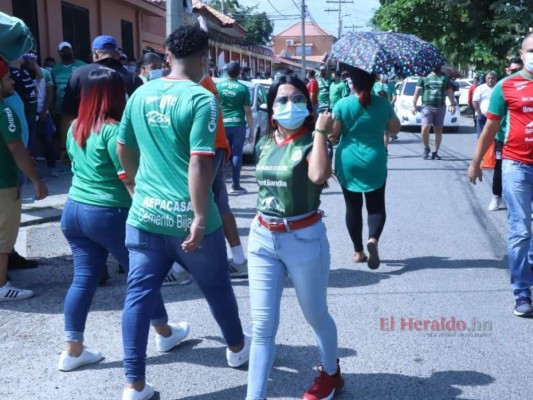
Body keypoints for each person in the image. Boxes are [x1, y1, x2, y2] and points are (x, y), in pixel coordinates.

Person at [117, 26, 250, 399]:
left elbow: (123, 147)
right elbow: (200, 163)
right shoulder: (201, 99)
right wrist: (198, 216)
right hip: (187, 221)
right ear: (206, 57)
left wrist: (132, 185)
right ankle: (238, 349)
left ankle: (134, 385)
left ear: (166, 54)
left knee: (138, 297)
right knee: (217, 286)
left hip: (145, 215)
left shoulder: (140, 93)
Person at [57, 67, 189, 373]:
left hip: (74, 210)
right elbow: (130, 180)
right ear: (117, 96)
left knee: (83, 278)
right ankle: (165, 333)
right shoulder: (114, 131)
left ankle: (73, 350)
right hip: (108, 213)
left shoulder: (75, 127)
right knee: (143, 276)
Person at [246, 74, 343, 400]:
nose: (291, 105)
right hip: (262, 239)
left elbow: (318, 175)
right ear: (271, 109)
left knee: (315, 315)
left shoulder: (314, 140)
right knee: (261, 328)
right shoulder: (265, 142)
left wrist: (319, 132)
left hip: (303, 240)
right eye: (282, 100)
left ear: (309, 104)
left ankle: (331, 373)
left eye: (298, 99)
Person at [467, 32, 533, 318]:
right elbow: (490, 129)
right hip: (516, 165)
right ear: (522, 52)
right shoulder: (506, 87)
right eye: (531, 49)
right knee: (521, 230)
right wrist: (475, 163)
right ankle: (522, 291)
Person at [330, 67, 400, 268]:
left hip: (348, 160)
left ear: (352, 82)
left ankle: (358, 251)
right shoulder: (383, 103)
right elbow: (394, 128)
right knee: (376, 205)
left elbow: (334, 136)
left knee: (352, 207)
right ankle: (373, 239)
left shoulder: (342, 104)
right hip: (375, 159)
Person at [0, 58, 48, 301]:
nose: (12, 83)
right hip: (4, 183)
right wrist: (36, 180)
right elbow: (16, 148)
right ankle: (2, 286)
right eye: (8, 78)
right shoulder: (4, 110)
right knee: (3, 236)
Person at [216, 61, 254, 195]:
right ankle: (235, 186)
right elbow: (248, 111)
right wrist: (252, 129)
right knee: (236, 154)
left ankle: (218, 186)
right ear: (239, 72)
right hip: (238, 124)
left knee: (220, 155)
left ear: (226, 71)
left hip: (222, 125)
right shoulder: (242, 88)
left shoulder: (218, 87)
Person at [411, 64, 457, 160]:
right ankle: (426, 148)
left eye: (439, 64)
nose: (437, 66)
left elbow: (449, 91)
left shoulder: (444, 77)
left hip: (440, 106)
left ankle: (435, 152)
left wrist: (453, 104)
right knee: (425, 127)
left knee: (438, 130)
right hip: (427, 106)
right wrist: (413, 105)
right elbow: (417, 92)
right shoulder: (424, 75)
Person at [31, 50, 59, 177]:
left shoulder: (45, 72)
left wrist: (44, 111)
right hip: (30, 113)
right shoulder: (22, 72)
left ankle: (52, 167)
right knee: (30, 143)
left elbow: (50, 93)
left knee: (48, 141)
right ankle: (32, 171)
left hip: (43, 112)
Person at [51, 42, 85, 119]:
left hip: (79, 106)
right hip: (60, 108)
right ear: (59, 53)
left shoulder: (83, 65)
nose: (66, 52)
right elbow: (52, 90)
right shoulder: (55, 69)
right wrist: (52, 108)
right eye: (63, 51)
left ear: (72, 51)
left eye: (68, 50)